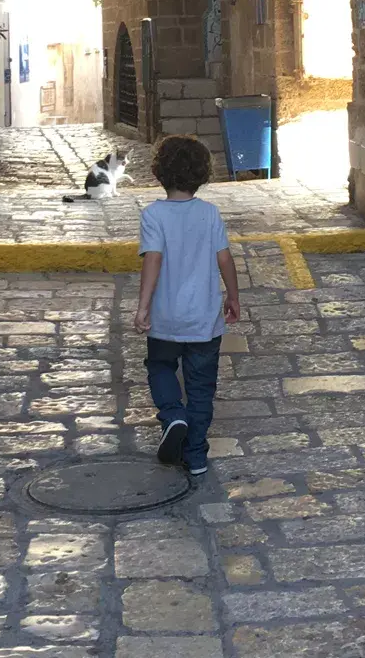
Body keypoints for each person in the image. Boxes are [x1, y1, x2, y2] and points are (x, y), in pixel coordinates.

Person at [134, 134, 240, 476]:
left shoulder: (153, 215)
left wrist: (143, 306)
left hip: (166, 319)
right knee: (201, 388)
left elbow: (153, 259)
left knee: (160, 368)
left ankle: (172, 416)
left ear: (159, 173)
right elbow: (224, 259)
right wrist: (233, 296)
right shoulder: (210, 214)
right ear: (202, 173)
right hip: (204, 322)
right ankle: (195, 456)